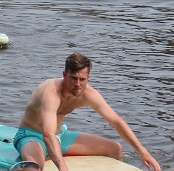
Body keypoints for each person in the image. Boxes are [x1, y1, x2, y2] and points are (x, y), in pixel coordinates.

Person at [11, 52, 161, 171]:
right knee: (34, 167)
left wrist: (143, 152)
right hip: (32, 136)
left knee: (114, 148)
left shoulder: (89, 94)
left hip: (60, 137)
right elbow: (48, 135)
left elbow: (117, 122)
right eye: (73, 78)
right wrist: (63, 167)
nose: (78, 84)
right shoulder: (51, 92)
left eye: (82, 79)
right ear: (64, 75)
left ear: (88, 77)